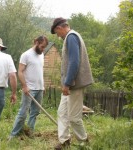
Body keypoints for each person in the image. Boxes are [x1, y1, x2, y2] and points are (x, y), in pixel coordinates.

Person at [51, 17, 94, 149]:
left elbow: (74, 62)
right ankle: (64, 141)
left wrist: (67, 83)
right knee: (62, 113)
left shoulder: (71, 37)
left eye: (57, 33)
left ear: (59, 28)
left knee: (74, 117)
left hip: (73, 85)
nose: (58, 36)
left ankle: (84, 141)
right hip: (70, 84)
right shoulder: (71, 37)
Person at [9, 36, 48, 139]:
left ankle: (29, 132)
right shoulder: (26, 55)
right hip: (29, 89)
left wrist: (42, 86)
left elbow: (40, 71)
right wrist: (25, 86)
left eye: (44, 47)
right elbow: (20, 72)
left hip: (39, 88)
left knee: (35, 112)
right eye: (42, 46)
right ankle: (13, 135)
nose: (43, 49)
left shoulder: (41, 55)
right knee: (23, 112)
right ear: (36, 42)